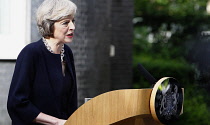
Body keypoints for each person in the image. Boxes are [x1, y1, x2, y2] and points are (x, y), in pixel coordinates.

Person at [7, 0, 78, 124]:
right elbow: (17, 103)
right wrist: (56, 122)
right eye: (65, 22)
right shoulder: (31, 53)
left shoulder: (66, 52)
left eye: (73, 21)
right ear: (49, 24)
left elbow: (69, 102)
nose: (72, 27)